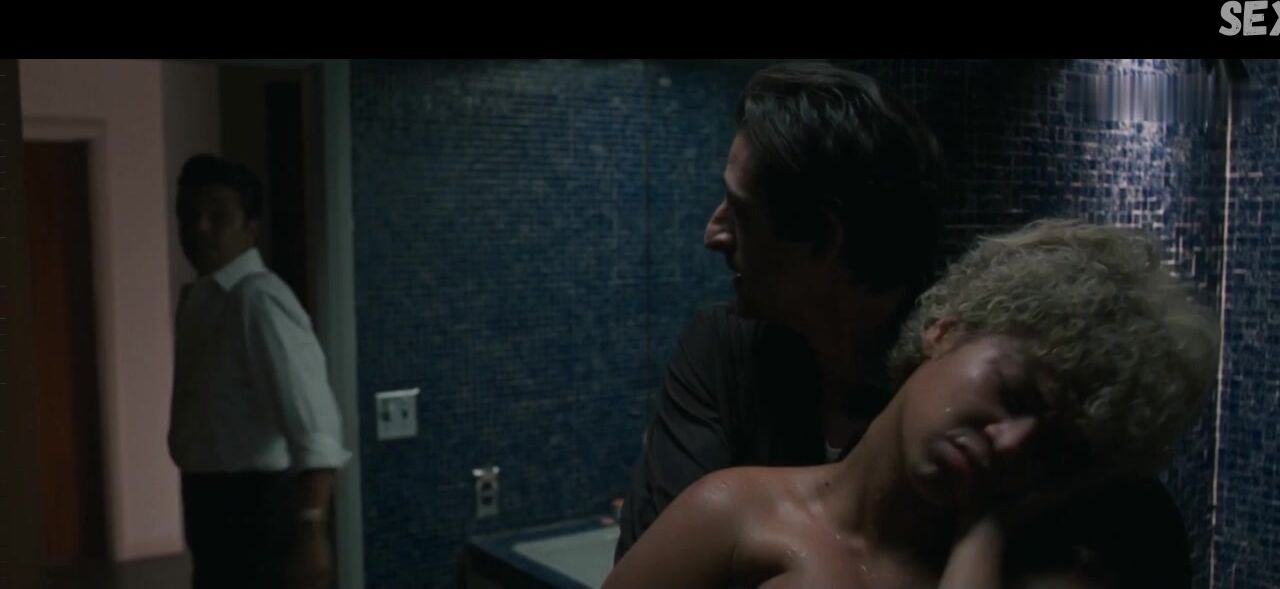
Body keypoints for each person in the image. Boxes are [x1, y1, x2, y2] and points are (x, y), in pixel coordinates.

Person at [616, 61, 1196, 586]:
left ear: (824, 238)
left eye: (741, 212)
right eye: (1013, 396)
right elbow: (662, 541)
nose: (713, 233)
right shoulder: (728, 356)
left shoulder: (982, 366)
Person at [605, 219, 1218, 589]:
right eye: (1014, 393)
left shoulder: (1052, 575)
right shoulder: (737, 515)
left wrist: (982, 534)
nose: (1009, 443)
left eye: (1052, 448)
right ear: (945, 331)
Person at [168, 154, 350, 589]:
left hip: (257, 509)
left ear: (250, 228)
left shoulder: (259, 300)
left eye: (217, 215)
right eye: (188, 215)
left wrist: (312, 529)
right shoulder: (203, 298)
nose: (199, 228)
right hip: (210, 503)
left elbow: (315, 428)